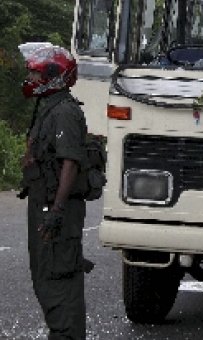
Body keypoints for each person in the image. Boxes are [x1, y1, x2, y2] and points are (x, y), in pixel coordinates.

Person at [20, 45, 89, 339]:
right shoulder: (48, 107)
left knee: (59, 281)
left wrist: (57, 213)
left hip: (57, 211)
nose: (31, 78)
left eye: (36, 73)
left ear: (53, 75)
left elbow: (70, 163)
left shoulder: (64, 112)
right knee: (46, 279)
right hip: (44, 205)